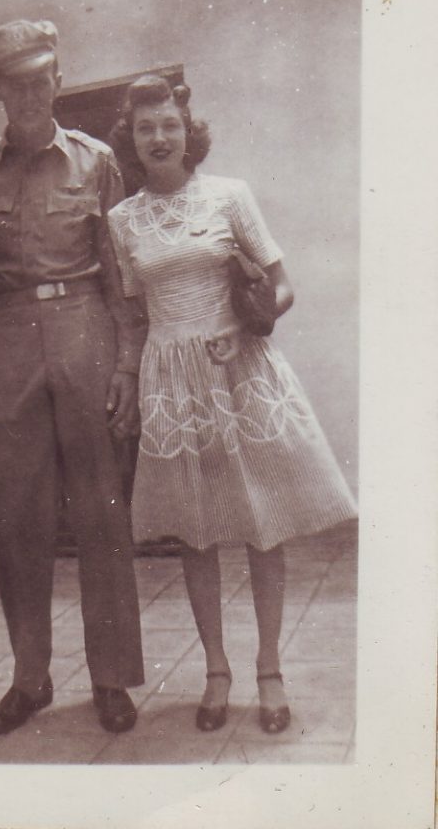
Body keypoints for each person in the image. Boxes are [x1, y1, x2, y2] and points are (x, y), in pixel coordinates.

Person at [107, 75, 358, 734]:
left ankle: (269, 668)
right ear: (129, 140)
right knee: (197, 531)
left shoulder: (229, 196)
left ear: (188, 131)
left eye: (168, 124)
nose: (158, 137)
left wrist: (251, 323)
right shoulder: (121, 220)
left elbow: (281, 284)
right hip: (174, 383)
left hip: (239, 372)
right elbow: (134, 311)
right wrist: (135, 377)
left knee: (261, 524)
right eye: (144, 128)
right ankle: (216, 670)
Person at [0, 19, 145, 737]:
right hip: (10, 345)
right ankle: (30, 678)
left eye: (41, 79)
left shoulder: (96, 163)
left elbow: (122, 272)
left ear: (57, 82)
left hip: (87, 329)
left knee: (102, 512)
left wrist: (127, 362)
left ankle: (112, 678)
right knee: (16, 523)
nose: (29, 93)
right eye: (15, 82)